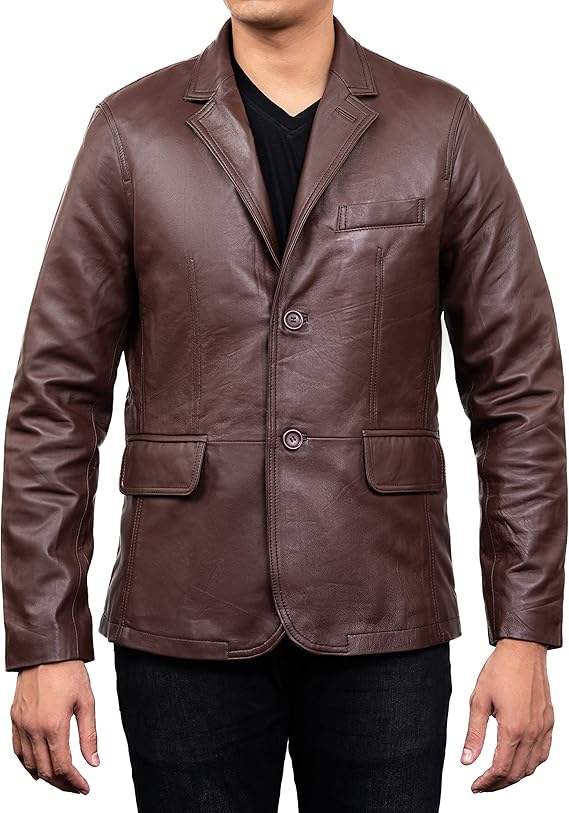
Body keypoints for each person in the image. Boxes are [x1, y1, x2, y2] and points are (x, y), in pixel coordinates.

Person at [2, 1, 565, 811]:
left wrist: (524, 631)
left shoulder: (437, 128)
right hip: (183, 609)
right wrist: (45, 638)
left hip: (382, 608)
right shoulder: (132, 131)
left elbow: (519, 393)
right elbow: (56, 397)